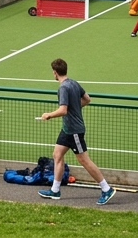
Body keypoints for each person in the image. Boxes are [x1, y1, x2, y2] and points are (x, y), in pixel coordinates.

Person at [36, 58, 115, 204]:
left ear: (55, 72)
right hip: (67, 129)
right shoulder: (73, 83)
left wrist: (49, 115)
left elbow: (63, 110)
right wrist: (75, 107)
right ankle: (55, 190)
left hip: (74, 131)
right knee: (57, 154)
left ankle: (106, 189)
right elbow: (87, 99)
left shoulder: (63, 88)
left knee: (84, 160)